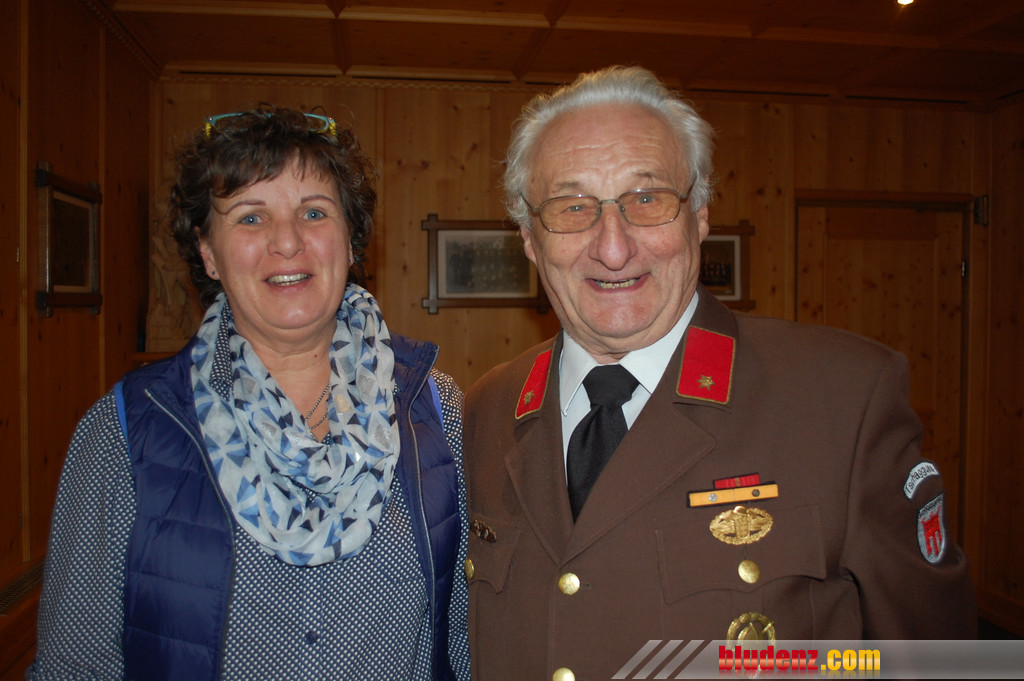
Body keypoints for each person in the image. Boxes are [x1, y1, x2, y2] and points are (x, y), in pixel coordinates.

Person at [462, 66, 975, 681]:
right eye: (572, 207)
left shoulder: (843, 399)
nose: (613, 248)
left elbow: (936, 662)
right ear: (528, 236)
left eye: (647, 199)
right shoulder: (486, 411)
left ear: (700, 215)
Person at [29, 107, 469, 681]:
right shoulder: (124, 429)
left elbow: (468, 639)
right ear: (208, 253)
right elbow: (74, 664)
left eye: (314, 212)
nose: (287, 241)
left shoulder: (435, 408)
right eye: (251, 217)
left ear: (351, 241)